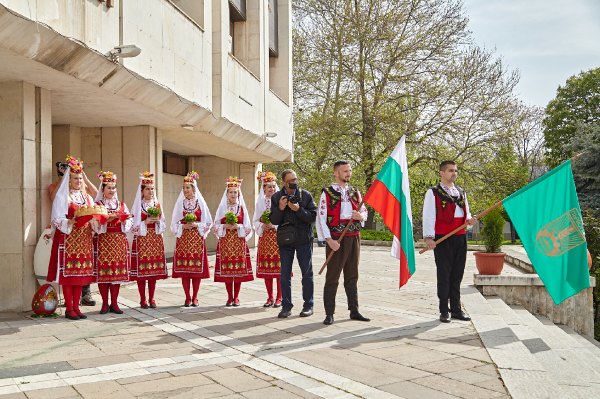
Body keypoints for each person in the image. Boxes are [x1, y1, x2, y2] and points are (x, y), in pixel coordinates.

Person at [316, 161, 370, 325]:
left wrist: (360, 217)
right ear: (336, 173)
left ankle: (354, 310)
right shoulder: (327, 193)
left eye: (350, 170)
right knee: (332, 277)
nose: (348, 173)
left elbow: (364, 211)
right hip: (336, 240)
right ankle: (329, 313)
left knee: (352, 275)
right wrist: (328, 240)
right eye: (345, 171)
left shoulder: (356, 192)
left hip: (354, 237)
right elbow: (321, 218)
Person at [423, 160, 477, 323]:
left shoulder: (460, 191)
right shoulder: (433, 192)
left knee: (457, 274)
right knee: (444, 274)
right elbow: (429, 215)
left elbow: (465, 213)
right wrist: (429, 237)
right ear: (442, 173)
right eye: (450, 170)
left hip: (460, 236)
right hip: (443, 237)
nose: (454, 173)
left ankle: (456, 309)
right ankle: (443, 310)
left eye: (456, 171)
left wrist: (470, 219)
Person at [47, 156, 99, 320]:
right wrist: (70, 221)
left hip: (83, 239)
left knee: (80, 276)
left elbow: (93, 214)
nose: (78, 180)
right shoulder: (63, 196)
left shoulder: (86, 197)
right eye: (75, 178)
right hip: (68, 239)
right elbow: (56, 218)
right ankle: (69, 308)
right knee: (68, 276)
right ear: (68, 180)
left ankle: (77, 307)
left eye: (80, 178)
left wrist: (96, 220)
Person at [269, 169, 317, 318]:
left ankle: (308, 305)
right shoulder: (277, 197)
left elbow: (313, 217)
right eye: (291, 180)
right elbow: (274, 220)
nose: (294, 182)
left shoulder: (305, 195)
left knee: (307, 273)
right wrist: (281, 208)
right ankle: (286, 306)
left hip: (303, 240)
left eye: (295, 179)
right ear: (284, 182)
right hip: (286, 241)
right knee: (284, 275)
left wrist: (298, 209)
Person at [171, 171, 212, 307]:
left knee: (195, 271)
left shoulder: (200, 203)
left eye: (187, 188)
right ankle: (187, 297)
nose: (185, 190)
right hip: (183, 240)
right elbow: (174, 223)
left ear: (194, 188)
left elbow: (208, 222)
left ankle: (195, 297)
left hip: (196, 240)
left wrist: (196, 225)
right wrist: (183, 226)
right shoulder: (180, 204)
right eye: (183, 188)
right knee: (185, 271)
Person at [93, 171, 132, 315]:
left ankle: (114, 303)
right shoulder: (97, 204)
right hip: (104, 241)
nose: (111, 190)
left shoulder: (121, 204)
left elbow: (129, 222)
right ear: (102, 189)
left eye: (113, 188)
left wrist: (123, 219)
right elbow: (93, 223)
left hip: (118, 242)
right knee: (104, 273)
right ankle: (104, 304)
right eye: (109, 187)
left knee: (116, 273)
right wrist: (104, 220)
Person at [213, 176, 254, 306]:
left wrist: (238, 227)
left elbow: (248, 227)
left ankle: (236, 297)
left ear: (238, 193)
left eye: (235, 192)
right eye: (230, 192)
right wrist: (224, 226)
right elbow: (215, 225)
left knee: (238, 271)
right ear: (227, 193)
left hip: (238, 242)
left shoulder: (242, 208)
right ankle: (229, 297)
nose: (233, 194)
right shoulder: (222, 208)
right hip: (225, 242)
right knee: (227, 270)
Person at [130, 172, 168, 309]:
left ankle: (152, 298)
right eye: (148, 189)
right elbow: (132, 226)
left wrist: (158, 222)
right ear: (142, 191)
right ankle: (142, 299)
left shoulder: (157, 204)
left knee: (153, 272)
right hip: (142, 240)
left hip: (155, 239)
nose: (151, 191)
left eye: (152, 189)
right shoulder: (137, 206)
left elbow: (164, 223)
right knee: (142, 271)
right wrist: (144, 222)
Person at [253, 171, 282, 308]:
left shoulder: (280, 201)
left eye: (273, 186)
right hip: (265, 238)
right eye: (268, 186)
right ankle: (270, 296)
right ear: (263, 188)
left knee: (279, 269)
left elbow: (284, 219)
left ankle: (279, 297)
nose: (271, 189)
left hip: (277, 238)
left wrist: (274, 225)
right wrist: (262, 225)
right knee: (267, 270)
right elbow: (255, 220)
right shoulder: (260, 202)